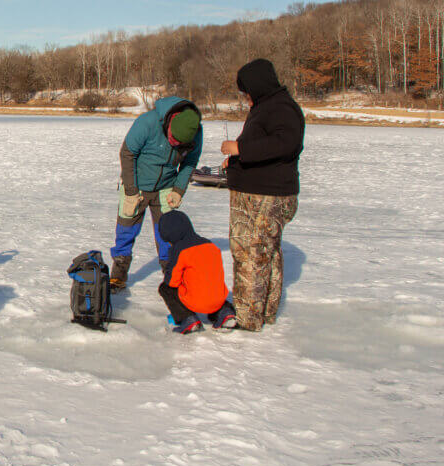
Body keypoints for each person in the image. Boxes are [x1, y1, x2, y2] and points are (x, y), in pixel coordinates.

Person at [220, 59, 304, 331]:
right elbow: (266, 147)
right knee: (264, 252)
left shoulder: (281, 108)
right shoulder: (269, 107)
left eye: (246, 91)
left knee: (251, 253)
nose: (245, 97)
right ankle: (261, 312)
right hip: (257, 192)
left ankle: (248, 318)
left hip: (264, 197)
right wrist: (234, 162)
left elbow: (286, 143)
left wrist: (240, 150)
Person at [109, 96, 203, 291]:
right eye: (172, 139)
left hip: (166, 186)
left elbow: (189, 163)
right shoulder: (147, 122)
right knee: (126, 229)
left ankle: (171, 275)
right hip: (137, 184)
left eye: (179, 143)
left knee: (168, 234)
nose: (174, 144)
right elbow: (127, 153)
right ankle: (118, 274)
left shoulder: (195, 131)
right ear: (169, 123)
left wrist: (178, 190)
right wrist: (131, 191)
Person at [157, 210, 237, 334]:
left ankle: (187, 318)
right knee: (211, 292)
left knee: (165, 288)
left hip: (195, 301)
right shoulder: (210, 245)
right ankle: (225, 312)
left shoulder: (179, 249)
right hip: (218, 299)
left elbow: (172, 282)